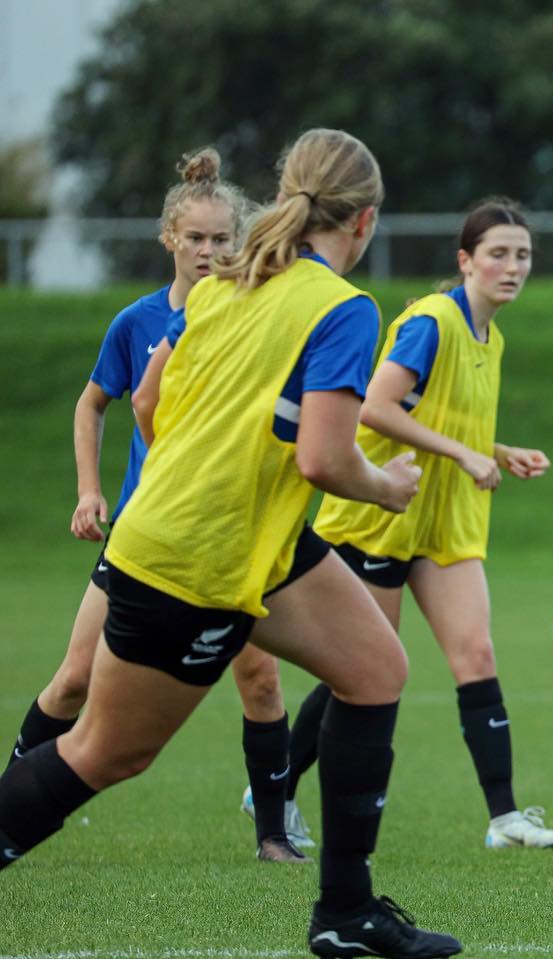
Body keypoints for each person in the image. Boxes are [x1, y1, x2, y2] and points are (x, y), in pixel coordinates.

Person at [0, 128, 462, 959]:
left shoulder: (226, 285)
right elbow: (324, 457)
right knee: (106, 751)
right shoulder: (343, 307)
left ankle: (346, 912)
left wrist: (203, 466)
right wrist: (386, 485)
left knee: (376, 668)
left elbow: (147, 399)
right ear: (362, 223)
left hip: (246, 541)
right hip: (193, 557)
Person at [4, 149, 312, 863]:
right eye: (196, 238)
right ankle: (17, 798)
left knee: (261, 678)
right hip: (148, 535)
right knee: (74, 678)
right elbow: (95, 404)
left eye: (222, 240)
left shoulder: (244, 315)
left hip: (230, 535)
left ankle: (274, 833)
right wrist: (90, 488)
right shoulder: (138, 321)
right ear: (169, 237)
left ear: (241, 242)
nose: (209, 252)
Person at [305, 198, 553, 849]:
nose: (513, 267)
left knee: (475, 654)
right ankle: (277, 788)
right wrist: (463, 452)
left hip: (445, 519)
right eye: (499, 254)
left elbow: (445, 415)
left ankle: (505, 818)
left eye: (523, 255)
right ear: (465, 261)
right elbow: (374, 406)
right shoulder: (432, 321)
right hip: (382, 514)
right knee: (365, 665)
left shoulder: (493, 336)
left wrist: (497, 449)